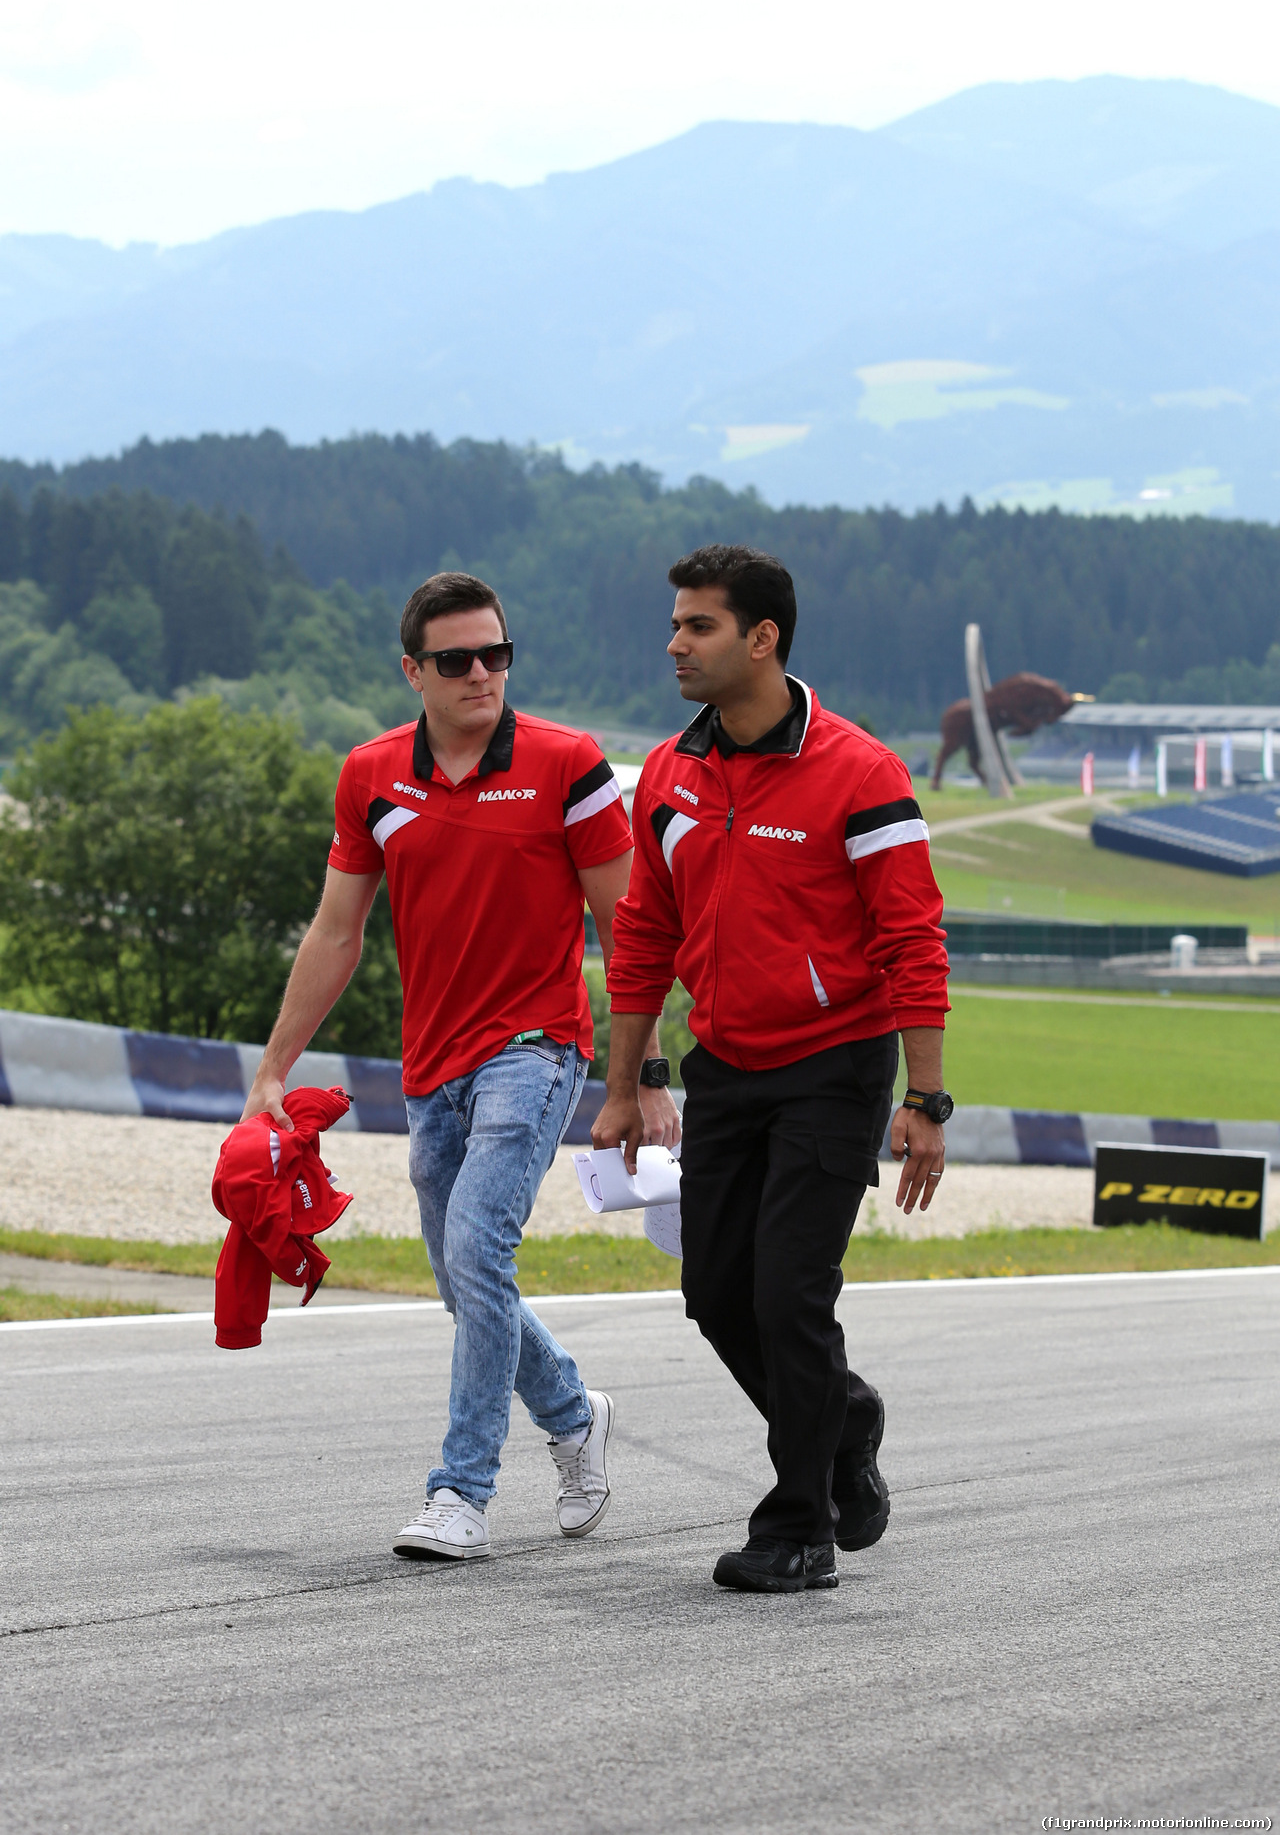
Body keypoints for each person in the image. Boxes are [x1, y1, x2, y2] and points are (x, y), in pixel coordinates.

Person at [243, 570, 679, 1562]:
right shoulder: (370, 776)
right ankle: (574, 1414)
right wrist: (274, 1066)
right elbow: (336, 931)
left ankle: (460, 1493)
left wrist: (642, 1075)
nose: (482, 672)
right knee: (461, 1275)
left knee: (479, 1247)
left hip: (538, 1045)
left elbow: (628, 930)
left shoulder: (565, 763)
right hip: (429, 1061)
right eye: (457, 659)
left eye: (497, 653)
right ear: (414, 671)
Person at [593, 544, 951, 1595]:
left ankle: (797, 1526)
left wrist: (923, 1100)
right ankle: (840, 1415)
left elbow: (912, 942)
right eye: (673, 623)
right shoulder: (668, 771)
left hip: (837, 1064)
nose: (673, 642)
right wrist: (626, 1081)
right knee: (715, 1292)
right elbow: (641, 933)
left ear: (761, 638)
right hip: (727, 1065)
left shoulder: (858, 769)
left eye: (696, 625)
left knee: (790, 1291)